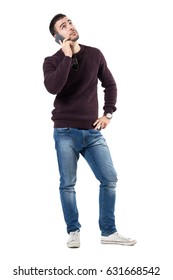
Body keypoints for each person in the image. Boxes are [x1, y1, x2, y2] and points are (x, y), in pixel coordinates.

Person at [43, 13, 136, 248]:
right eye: (63, 26)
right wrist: (66, 57)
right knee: (68, 183)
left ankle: (108, 232)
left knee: (109, 178)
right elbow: (54, 87)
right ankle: (73, 231)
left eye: (70, 22)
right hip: (64, 131)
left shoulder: (94, 54)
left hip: (92, 133)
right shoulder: (51, 61)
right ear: (57, 37)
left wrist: (108, 113)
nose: (70, 27)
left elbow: (110, 84)